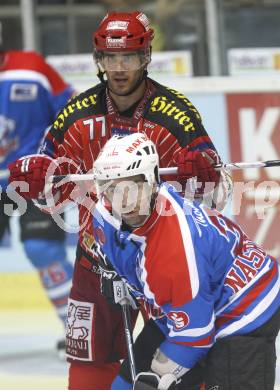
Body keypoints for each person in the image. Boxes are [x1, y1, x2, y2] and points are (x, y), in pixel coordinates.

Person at [8, 12, 231, 390]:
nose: (119, 67)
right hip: (97, 265)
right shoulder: (77, 114)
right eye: (111, 58)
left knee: (185, 371)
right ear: (99, 61)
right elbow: (55, 187)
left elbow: (218, 194)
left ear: (145, 57)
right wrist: (36, 180)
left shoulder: (175, 113)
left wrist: (205, 176)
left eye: (128, 57)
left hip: (162, 265)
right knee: (85, 373)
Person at [92, 132, 280, 390]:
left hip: (244, 306)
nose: (124, 201)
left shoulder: (173, 249)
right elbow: (120, 251)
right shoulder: (103, 214)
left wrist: (160, 376)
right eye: (113, 188)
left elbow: (195, 337)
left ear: (152, 181)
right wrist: (119, 275)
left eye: (134, 187)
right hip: (192, 299)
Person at [0, 21, 75, 353]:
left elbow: (71, 111)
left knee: (42, 249)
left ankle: (80, 328)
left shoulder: (31, 69)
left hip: (34, 173)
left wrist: (59, 161)